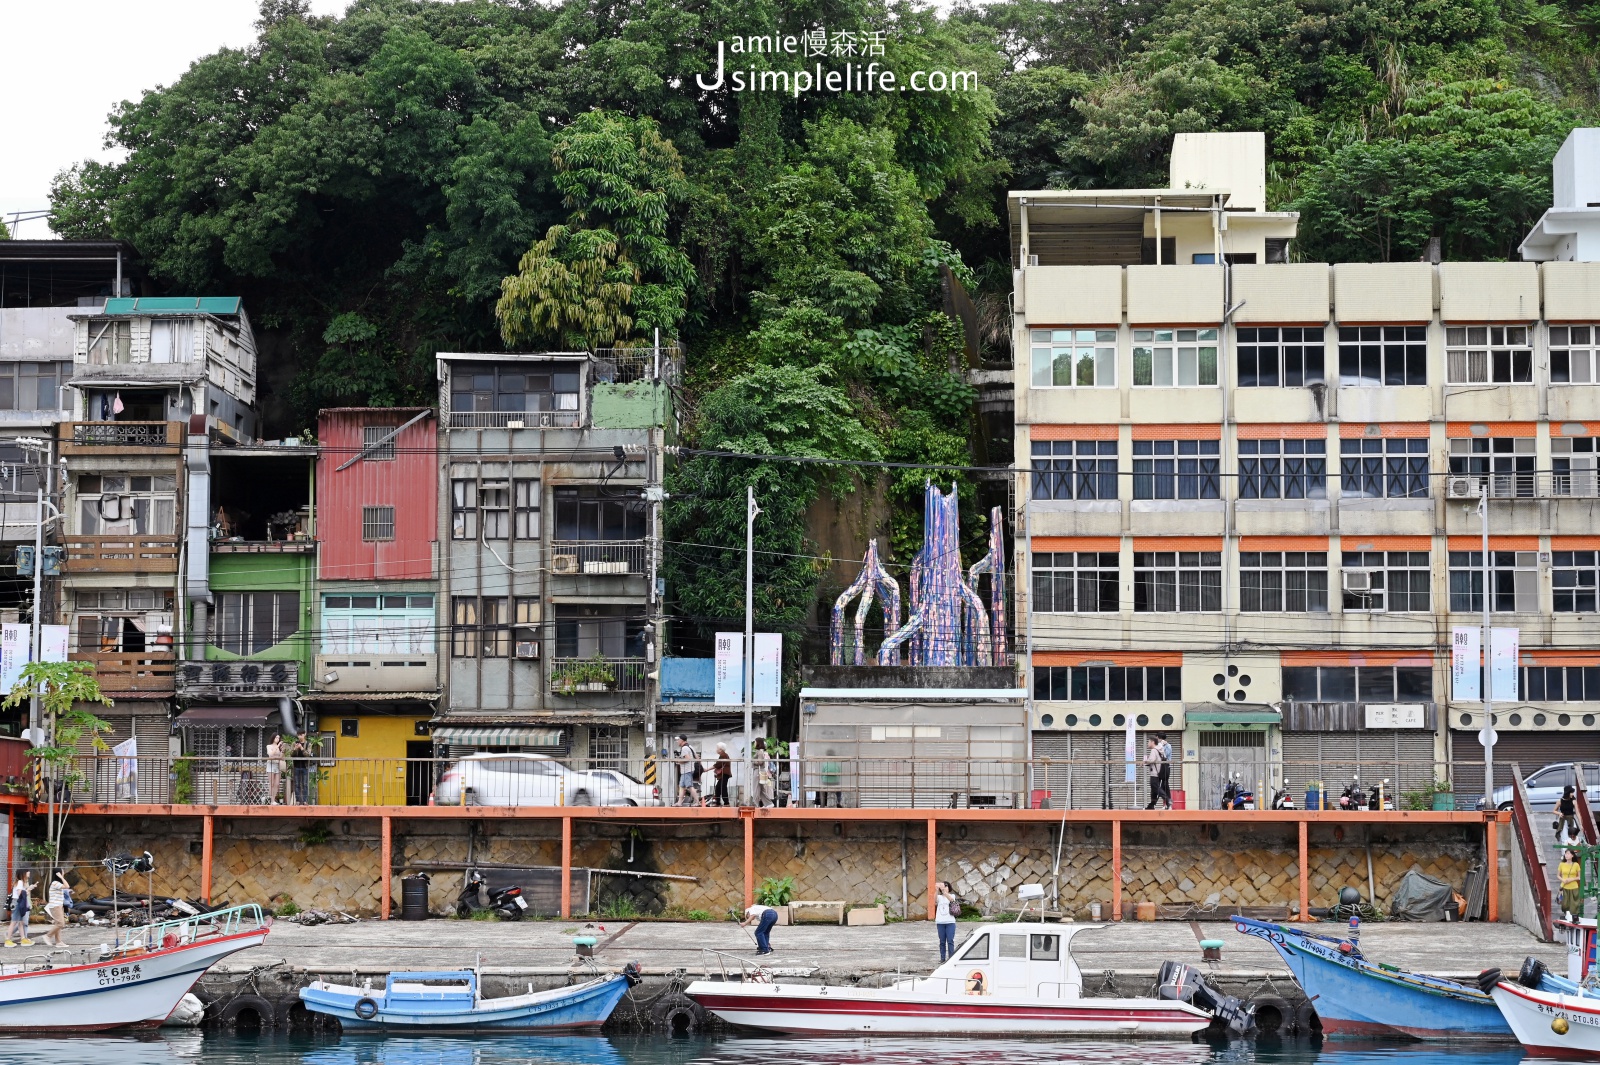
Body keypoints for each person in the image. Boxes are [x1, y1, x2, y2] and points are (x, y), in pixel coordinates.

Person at [6, 871, 32, 948]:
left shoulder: (21, 882)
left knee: (21, 922)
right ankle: (8, 940)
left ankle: (23, 938)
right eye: (27, 872)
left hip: (18, 903)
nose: (29, 873)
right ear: (23, 874)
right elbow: (20, 893)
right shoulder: (20, 882)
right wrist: (28, 889)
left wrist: (27, 890)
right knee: (14, 922)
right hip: (17, 903)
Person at [42, 870, 68, 948]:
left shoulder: (57, 884)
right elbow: (67, 886)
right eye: (62, 872)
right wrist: (61, 877)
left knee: (58, 924)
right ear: (58, 873)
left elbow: (65, 888)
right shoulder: (55, 883)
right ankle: (47, 936)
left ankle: (58, 941)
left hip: (58, 905)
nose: (63, 872)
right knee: (61, 923)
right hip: (55, 906)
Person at [935, 880, 958, 962]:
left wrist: (945, 892)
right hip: (940, 922)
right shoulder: (939, 897)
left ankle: (951, 958)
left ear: (949, 887)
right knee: (942, 941)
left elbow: (952, 900)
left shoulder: (952, 895)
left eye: (946, 885)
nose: (944, 887)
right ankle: (942, 958)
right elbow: (934, 900)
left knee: (950, 941)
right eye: (943, 886)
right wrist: (937, 889)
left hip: (950, 922)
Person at [675, 736, 699, 807]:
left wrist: (678, 761)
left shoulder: (684, 748)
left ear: (682, 740)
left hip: (687, 770)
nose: (677, 741)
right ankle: (679, 802)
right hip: (688, 769)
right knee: (681, 786)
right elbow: (696, 757)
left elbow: (687, 759)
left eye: (678, 740)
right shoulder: (690, 747)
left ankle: (697, 801)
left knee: (689, 786)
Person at [1561, 848, 1584, 919]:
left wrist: (1571, 879)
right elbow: (1558, 875)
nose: (1566, 855)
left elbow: (1579, 877)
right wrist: (1563, 880)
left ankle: (1574, 917)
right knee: (1564, 904)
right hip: (1564, 886)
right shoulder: (1562, 864)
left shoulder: (1576, 865)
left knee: (1574, 904)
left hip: (1574, 886)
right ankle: (1566, 915)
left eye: (1568, 854)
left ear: (1572, 855)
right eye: (1566, 853)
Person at [752, 738, 773, 808]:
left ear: (758, 743)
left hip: (758, 771)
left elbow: (760, 762)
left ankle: (755, 804)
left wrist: (752, 761)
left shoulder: (759, 752)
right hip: (760, 771)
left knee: (756, 788)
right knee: (761, 789)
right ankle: (768, 803)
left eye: (755, 742)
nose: (754, 743)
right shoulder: (760, 751)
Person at [1144, 737, 1164, 810]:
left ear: (1152, 742)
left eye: (1148, 742)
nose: (1148, 743)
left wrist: (1145, 761)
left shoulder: (1153, 750)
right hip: (1158, 772)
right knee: (1154, 790)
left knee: (1155, 788)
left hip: (1154, 773)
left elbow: (1152, 760)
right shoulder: (1159, 750)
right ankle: (1152, 805)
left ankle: (1167, 799)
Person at [266, 735, 285, 805]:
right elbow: (270, 754)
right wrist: (277, 746)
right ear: (273, 738)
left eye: (278, 738)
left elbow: (281, 757)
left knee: (277, 784)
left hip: (278, 765)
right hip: (271, 764)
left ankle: (273, 799)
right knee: (272, 783)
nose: (278, 739)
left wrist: (283, 751)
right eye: (276, 737)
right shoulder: (269, 746)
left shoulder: (279, 747)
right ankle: (272, 800)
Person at [1157, 733, 1174, 808]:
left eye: (1157, 738)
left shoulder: (1168, 746)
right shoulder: (1159, 745)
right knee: (1163, 785)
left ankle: (1168, 803)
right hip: (1160, 767)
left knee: (1164, 785)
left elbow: (1165, 755)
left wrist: (1162, 746)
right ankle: (1167, 803)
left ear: (1159, 738)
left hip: (1166, 767)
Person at [712, 743, 732, 807]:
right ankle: (719, 802)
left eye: (717, 748)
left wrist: (707, 769)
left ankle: (726, 803)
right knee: (719, 787)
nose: (716, 750)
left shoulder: (723, 755)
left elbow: (718, 764)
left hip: (724, 773)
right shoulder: (724, 755)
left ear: (720, 749)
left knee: (722, 787)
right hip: (724, 774)